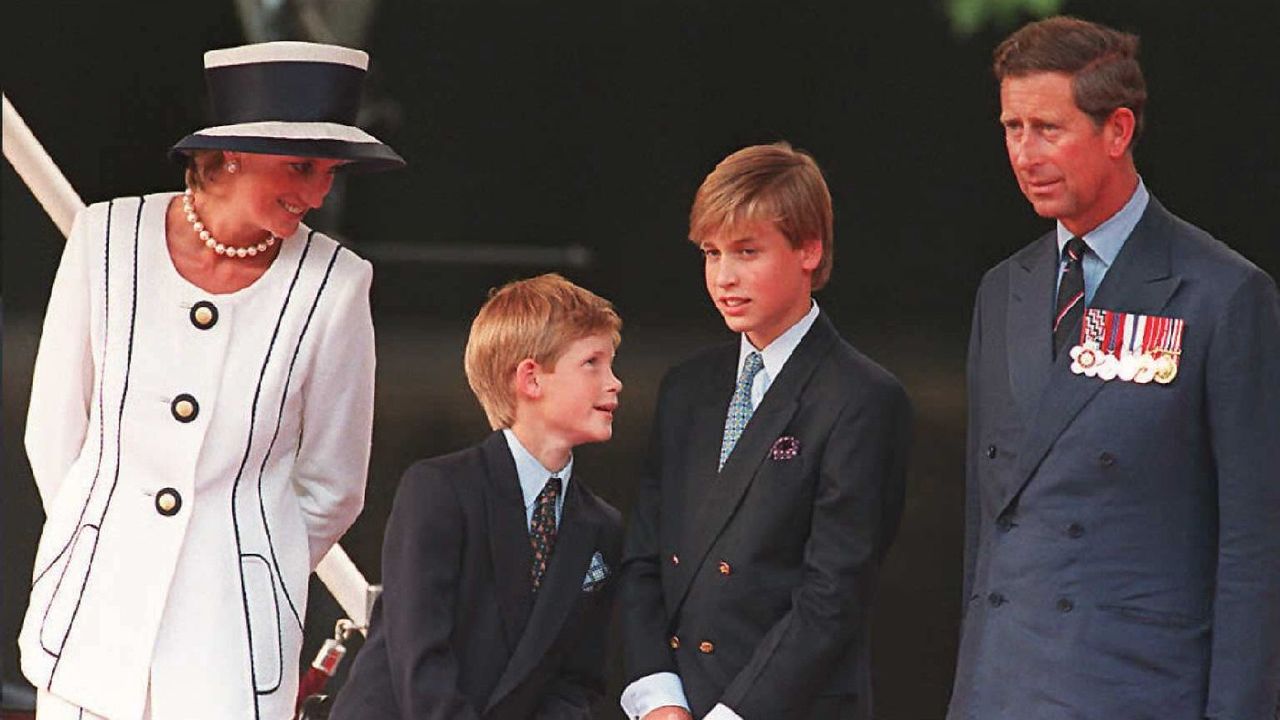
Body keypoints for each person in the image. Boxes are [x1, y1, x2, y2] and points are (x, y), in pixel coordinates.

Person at [20, 41, 403, 719]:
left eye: (330, 173)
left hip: (233, 644)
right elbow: (54, 432)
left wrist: (249, 562)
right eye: (302, 166)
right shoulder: (103, 239)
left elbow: (335, 486)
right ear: (228, 153)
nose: (318, 194)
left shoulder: (337, 285)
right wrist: (103, 539)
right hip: (90, 625)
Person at [949, 16, 1280, 720]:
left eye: (1049, 127)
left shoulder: (1223, 294)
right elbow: (989, 533)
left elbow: (1255, 546)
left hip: (1137, 689)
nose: (1025, 153)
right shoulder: (1003, 289)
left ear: (1118, 131)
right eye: (1012, 127)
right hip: (1001, 688)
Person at [618, 142, 912, 720]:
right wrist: (657, 698)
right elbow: (643, 558)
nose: (724, 277)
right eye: (711, 253)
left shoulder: (863, 398)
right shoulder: (686, 388)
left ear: (809, 249)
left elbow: (832, 596)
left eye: (747, 251)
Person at [330, 273, 624, 719]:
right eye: (592, 363)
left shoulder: (600, 526)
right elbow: (421, 661)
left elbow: (576, 681)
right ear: (531, 379)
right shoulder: (439, 490)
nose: (614, 382)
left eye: (611, 363)